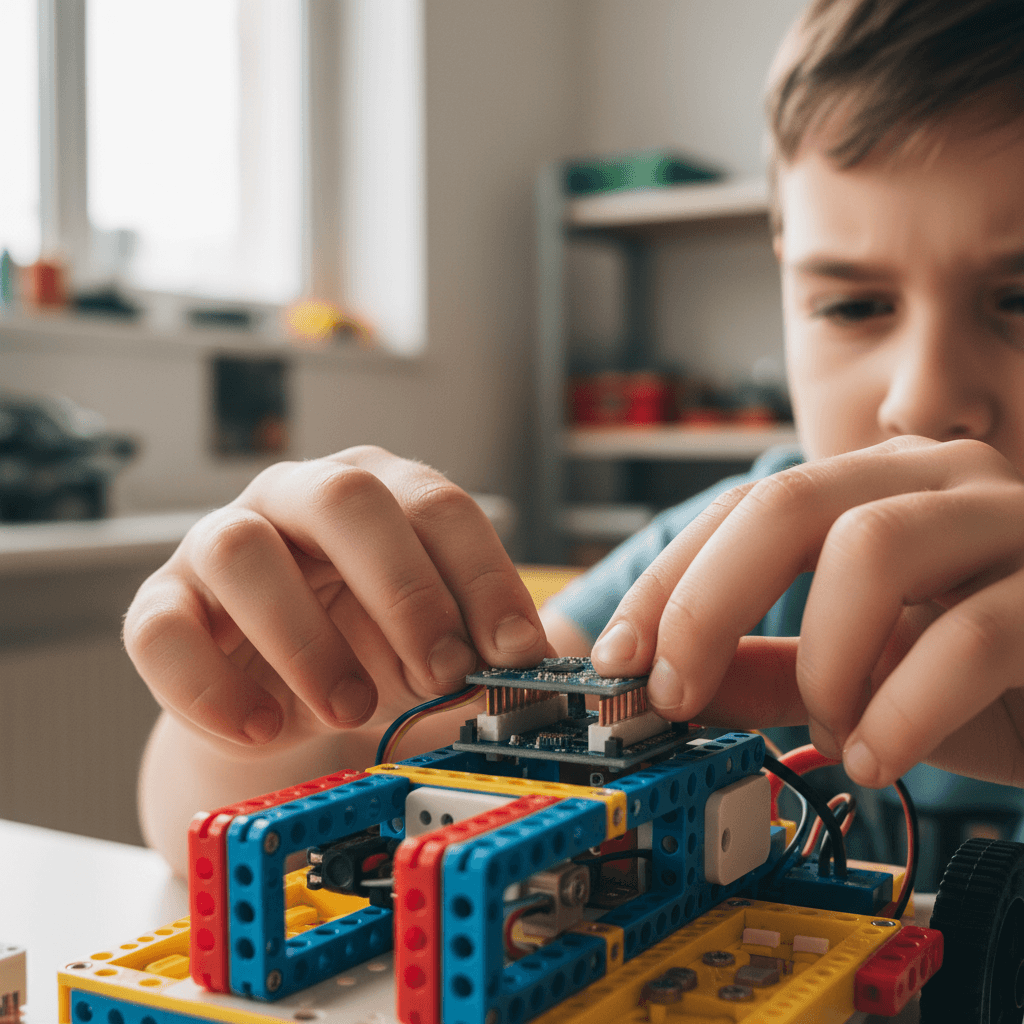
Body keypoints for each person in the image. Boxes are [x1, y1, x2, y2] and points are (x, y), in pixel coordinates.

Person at [125, 0, 1024, 878]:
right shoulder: (734, 556)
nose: (925, 396)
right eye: (854, 305)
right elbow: (209, 819)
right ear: (785, 273)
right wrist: (270, 699)